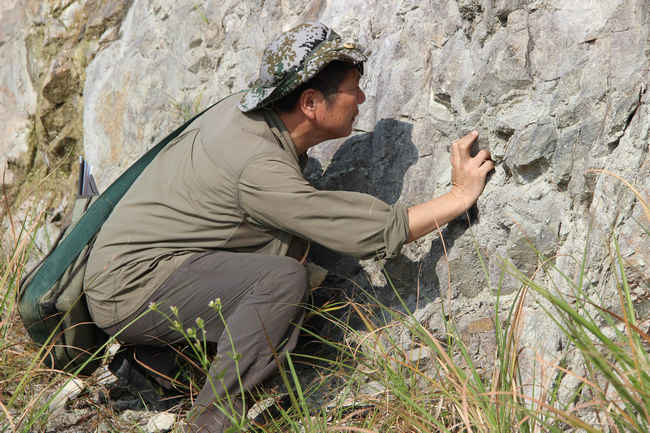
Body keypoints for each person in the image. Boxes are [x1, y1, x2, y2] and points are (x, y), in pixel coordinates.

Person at [83, 22, 494, 433]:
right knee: (282, 280)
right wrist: (458, 196)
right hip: (132, 288)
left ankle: (157, 363)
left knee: (290, 251)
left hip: (136, 269)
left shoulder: (246, 114)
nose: (362, 99)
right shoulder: (258, 165)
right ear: (311, 102)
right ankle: (210, 422)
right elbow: (363, 232)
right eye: (353, 89)